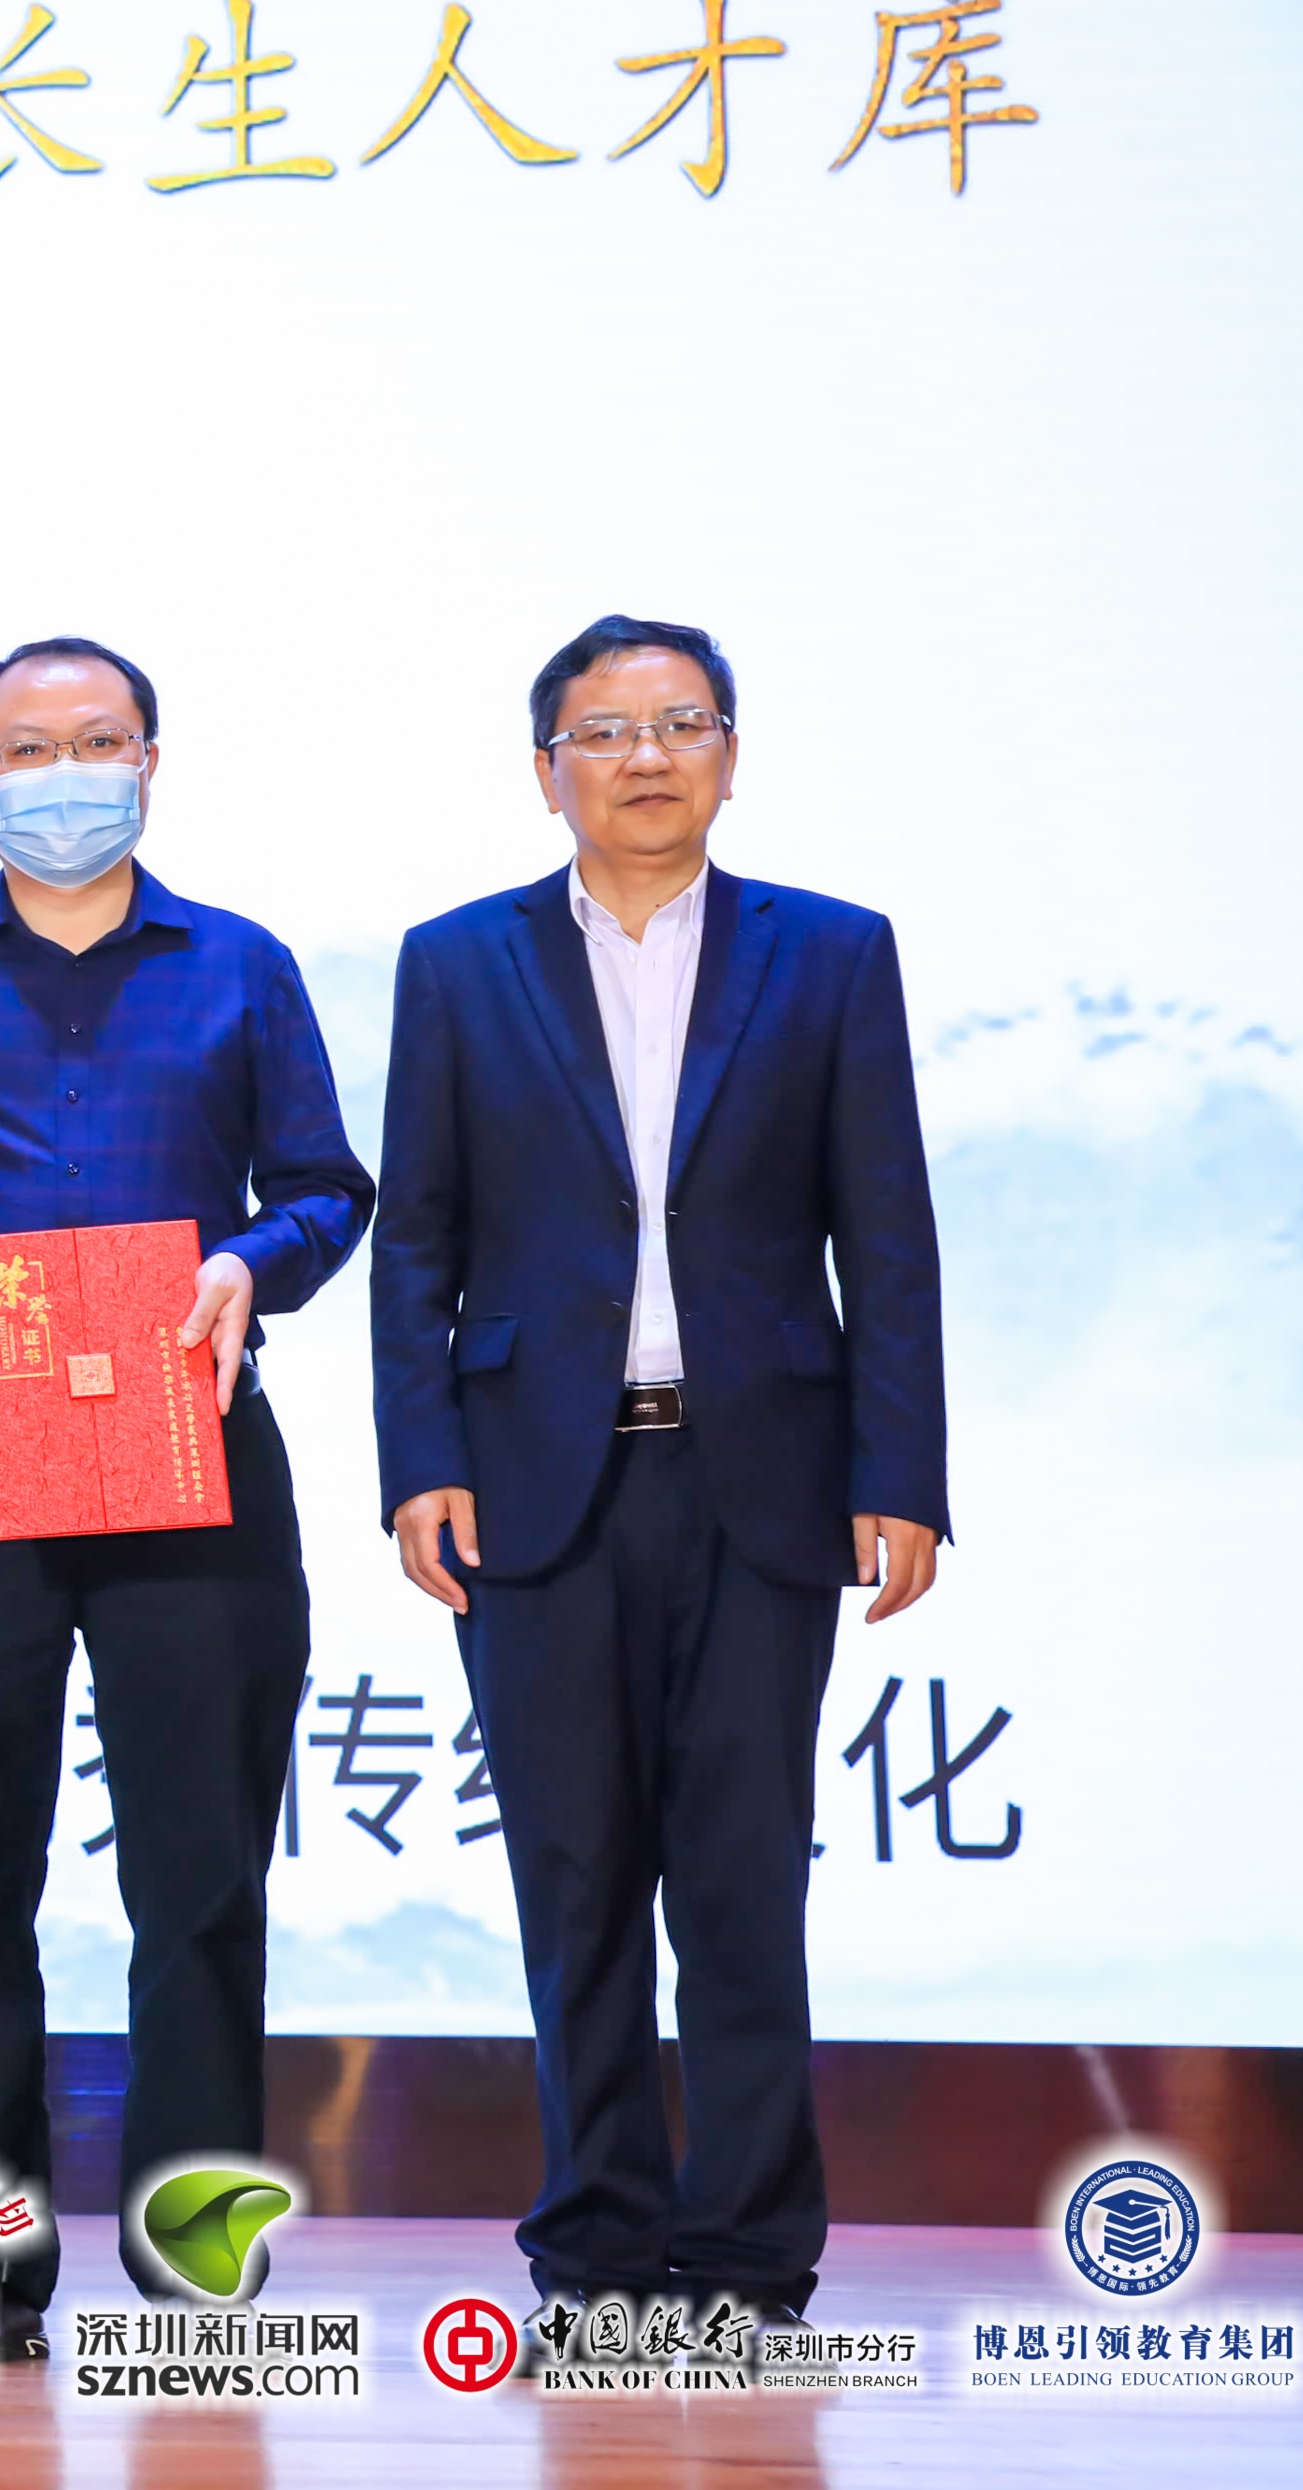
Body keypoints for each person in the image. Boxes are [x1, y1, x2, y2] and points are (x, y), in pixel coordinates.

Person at [0, 638, 370, 2344]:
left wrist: (251, 1262)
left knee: (200, 1881)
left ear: (150, 761)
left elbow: (325, 1186)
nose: (63, 775)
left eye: (95, 741)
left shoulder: (240, 967)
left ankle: (192, 2264)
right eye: (25, 751)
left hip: (191, 1439)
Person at [370, 614, 946, 2324]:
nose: (644, 757)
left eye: (680, 723)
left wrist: (900, 1469)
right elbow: (418, 1242)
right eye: (605, 731)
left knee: (745, 1878)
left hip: (760, 1477)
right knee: (573, 1882)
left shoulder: (828, 952)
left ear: (729, 754)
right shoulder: (455, 961)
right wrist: (419, 1459)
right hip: (533, 1483)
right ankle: (599, 2249)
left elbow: (885, 1233)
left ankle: (754, 2254)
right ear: (544, 770)